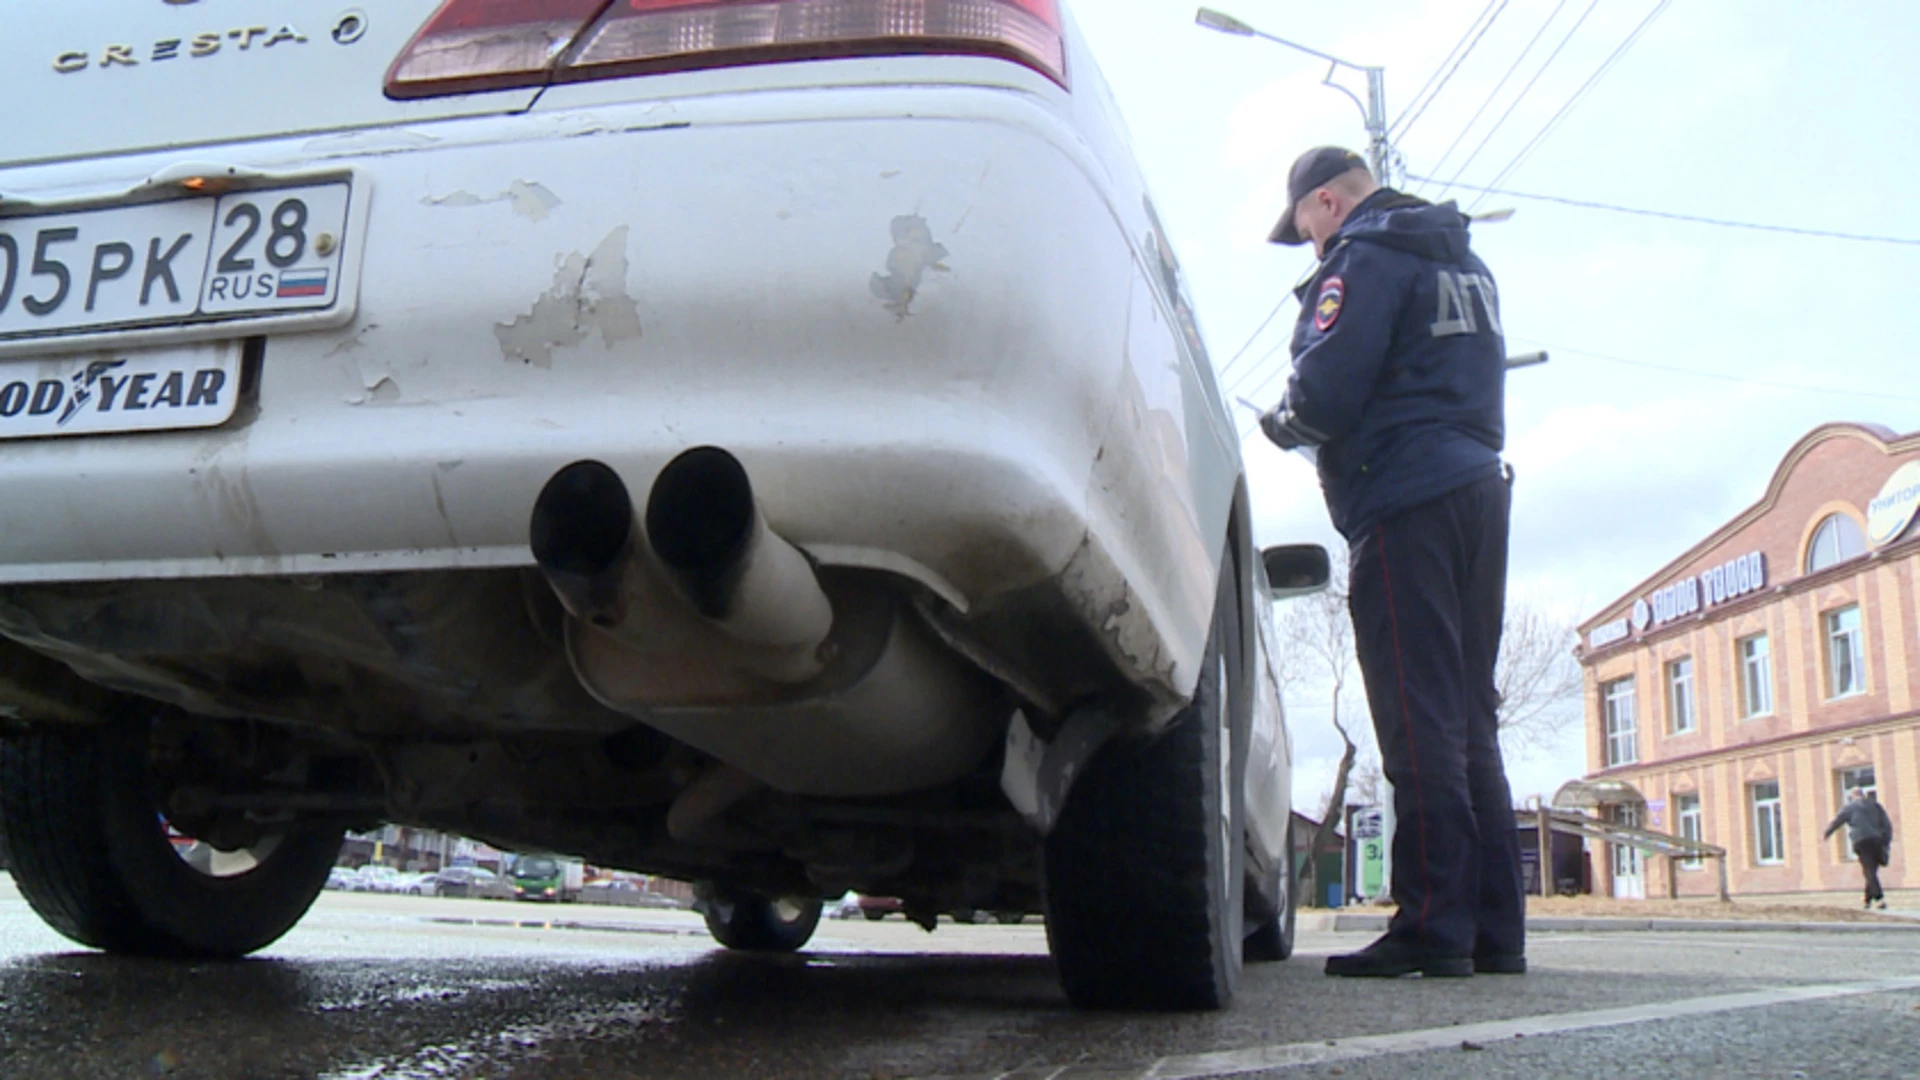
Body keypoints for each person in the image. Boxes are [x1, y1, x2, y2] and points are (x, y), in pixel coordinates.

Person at [1258, 147, 1521, 978]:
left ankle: (1433, 925)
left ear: (1327, 203)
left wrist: (1284, 420)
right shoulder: (1464, 262)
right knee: (1471, 716)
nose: (1312, 251)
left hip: (1404, 499)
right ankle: (1493, 931)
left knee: (1418, 719)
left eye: (1306, 232)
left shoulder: (1363, 259)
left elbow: (1327, 392)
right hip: (1479, 488)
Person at [1824, 788, 1894, 909]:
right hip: (1877, 840)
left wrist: (1827, 833)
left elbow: (1837, 821)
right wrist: (1886, 841)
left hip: (1861, 841)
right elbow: (1887, 824)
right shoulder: (1875, 805)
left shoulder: (1849, 807)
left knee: (1869, 870)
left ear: (1852, 796)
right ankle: (1867, 900)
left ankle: (1879, 899)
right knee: (1871, 870)